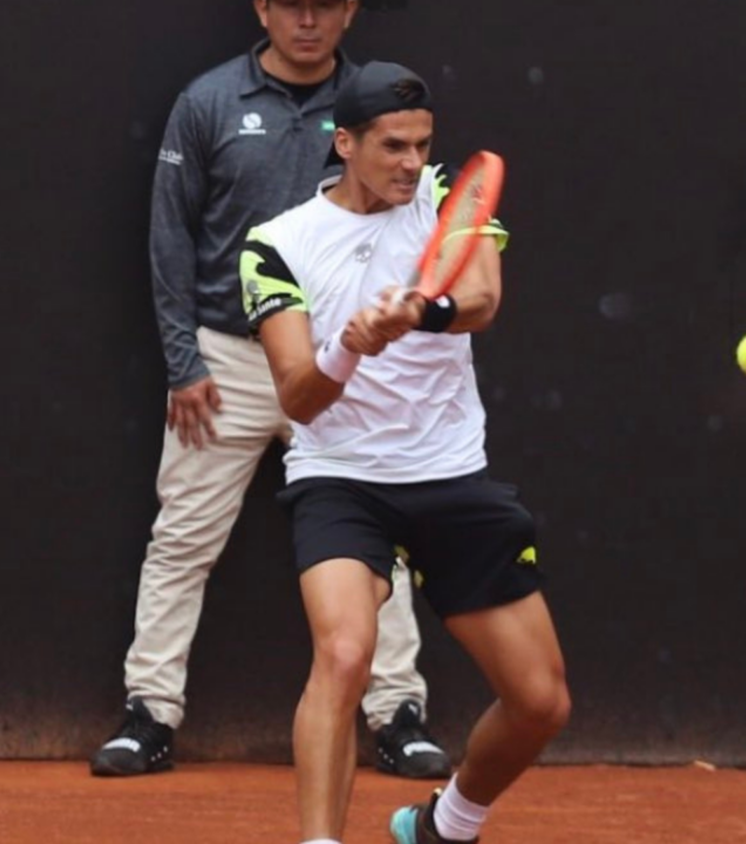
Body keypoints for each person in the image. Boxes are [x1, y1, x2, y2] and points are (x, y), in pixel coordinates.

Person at [91, 0, 450, 782]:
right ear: (262, 7)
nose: (308, 20)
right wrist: (185, 361)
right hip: (231, 360)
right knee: (183, 537)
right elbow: (170, 231)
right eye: (292, 4)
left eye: (326, 5)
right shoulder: (209, 102)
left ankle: (398, 713)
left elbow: (415, 225)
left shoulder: (382, 108)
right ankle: (149, 712)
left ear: (351, 10)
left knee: (376, 539)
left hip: (343, 359)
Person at [240, 61, 571, 844]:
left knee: (540, 701)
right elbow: (297, 396)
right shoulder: (276, 245)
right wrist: (350, 347)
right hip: (341, 481)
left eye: (421, 144)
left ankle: (445, 826)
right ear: (344, 143)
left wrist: (422, 312)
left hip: (450, 473)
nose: (411, 163)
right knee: (346, 653)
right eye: (392, 146)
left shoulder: (446, 194)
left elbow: (482, 300)